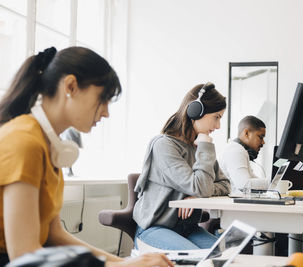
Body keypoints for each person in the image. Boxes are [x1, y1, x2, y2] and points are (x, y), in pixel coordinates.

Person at [0, 46, 173, 267]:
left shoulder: (49, 145)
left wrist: (125, 262)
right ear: (70, 86)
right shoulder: (24, 140)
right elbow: (24, 256)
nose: (106, 112)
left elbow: (55, 235)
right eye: (103, 99)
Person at [133, 82, 231, 250]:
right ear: (195, 111)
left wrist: (197, 196)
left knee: (224, 256)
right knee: (197, 259)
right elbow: (200, 187)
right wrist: (201, 190)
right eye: (217, 117)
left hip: (189, 229)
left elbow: (225, 184)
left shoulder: (200, 147)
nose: (218, 126)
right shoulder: (164, 146)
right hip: (154, 229)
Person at [220, 115, 267, 193]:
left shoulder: (238, 149)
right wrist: (275, 183)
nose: (263, 142)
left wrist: (275, 183)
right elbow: (244, 184)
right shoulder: (236, 150)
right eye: (260, 137)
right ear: (246, 133)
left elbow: (252, 179)